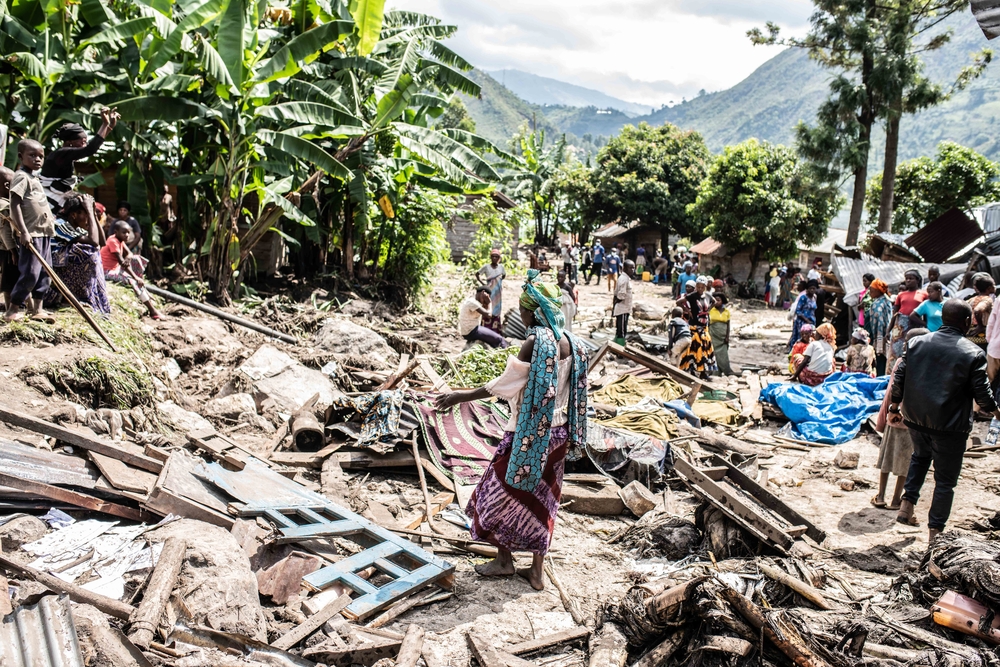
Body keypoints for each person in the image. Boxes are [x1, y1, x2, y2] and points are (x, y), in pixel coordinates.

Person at [433, 270, 588, 591]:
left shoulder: (534, 343)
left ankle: (504, 561)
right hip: (560, 435)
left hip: (528, 435)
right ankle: (536, 570)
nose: (521, 313)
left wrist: (459, 395)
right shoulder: (570, 341)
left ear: (533, 310)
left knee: (494, 493)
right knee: (543, 499)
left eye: (524, 308)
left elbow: (503, 386)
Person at [890, 299, 1000, 542]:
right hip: (950, 426)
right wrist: (997, 413)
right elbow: (983, 394)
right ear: (966, 322)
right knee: (945, 481)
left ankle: (906, 506)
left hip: (915, 418)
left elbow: (899, 375)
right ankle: (935, 534)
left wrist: (894, 407)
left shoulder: (917, 342)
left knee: (920, 458)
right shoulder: (973, 352)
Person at [872, 327, 928, 511]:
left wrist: (885, 416)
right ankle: (896, 500)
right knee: (905, 464)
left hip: (894, 418)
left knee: (887, 459)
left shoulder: (902, 363)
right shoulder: (928, 366)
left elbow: (891, 391)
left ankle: (880, 496)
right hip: (914, 421)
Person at [5, 139, 56, 323]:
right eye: (32, 155)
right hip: (32, 233)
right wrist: (23, 231)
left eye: (41, 156)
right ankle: (12, 310)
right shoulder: (21, 176)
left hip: (44, 233)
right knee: (30, 273)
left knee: (45, 272)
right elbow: (15, 204)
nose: (37, 159)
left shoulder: (34, 178)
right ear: (20, 157)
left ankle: (37, 310)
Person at [39, 109, 118, 213]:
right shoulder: (62, 153)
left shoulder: (64, 154)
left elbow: (92, 145)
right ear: (71, 142)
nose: (85, 145)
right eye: (83, 142)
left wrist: (110, 126)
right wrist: (105, 124)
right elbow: (90, 149)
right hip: (49, 199)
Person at [46, 194, 110, 315]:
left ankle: (87, 297)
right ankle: (68, 297)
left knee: (94, 250)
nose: (88, 218)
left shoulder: (74, 227)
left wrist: (94, 214)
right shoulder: (60, 224)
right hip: (50, 273)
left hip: (62, 269)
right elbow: (93, 242)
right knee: (85, 251)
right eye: (85, 214)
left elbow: (102, 242)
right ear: (74, 215)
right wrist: (90, 212)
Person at [100, 220, 161, 320]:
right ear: (116, 232)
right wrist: (135, 277)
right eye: (124, 232)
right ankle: (152, 311)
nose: (127, 235)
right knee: (132, 280)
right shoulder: (113, 241)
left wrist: (128, 257)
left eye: (128, 232)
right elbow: (123, 264)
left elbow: (129, 254)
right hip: (106, 271)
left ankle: (142, 287)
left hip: (115, 268)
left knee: (137, 259)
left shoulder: (119, 240)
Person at [679, 277, 717, 378]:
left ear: (705, 287)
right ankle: (691, 371)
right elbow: (678, 302)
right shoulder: (692, 296)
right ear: (696, 286)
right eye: (698, 287)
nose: (700, 289)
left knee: (705, 349)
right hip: (694, 327)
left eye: (702, 287)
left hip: (704, 327)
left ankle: (703, 372)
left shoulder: (708, 296)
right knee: (693, 350)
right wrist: (687, 311)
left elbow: (715, 302)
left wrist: (709, 309)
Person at [888, 270, 925, 367]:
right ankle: (893, 375)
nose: (908, 280)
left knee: (913, 350)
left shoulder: (923, 294)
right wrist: (888, 330)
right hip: (900, 326)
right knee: (896, 351)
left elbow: (926, 313)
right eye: (906, 278)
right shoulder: (901, 295)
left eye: (911, 278)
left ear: (917, 280)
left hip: (915, 325)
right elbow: (895, 314)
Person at [864, 279, 893, 376]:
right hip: (887, 336)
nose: (869, 292)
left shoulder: (877, 304)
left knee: (879, 361)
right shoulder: (887, 302)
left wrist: (875, 338)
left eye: (871, 290)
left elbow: (878, 324)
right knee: (884, 362)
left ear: (878, 291)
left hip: (878, 336)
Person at [475, 249, 506, 333]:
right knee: (487, 306)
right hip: (489, 291)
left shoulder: (501, 267)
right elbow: (477, 274)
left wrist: (497, 282)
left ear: (499, 258)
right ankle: (486, 328)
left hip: (498, 293)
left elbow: (503, 275)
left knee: (497, 309)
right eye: (493, 256)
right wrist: (484, 284)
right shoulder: (486, 267)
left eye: (496, 256)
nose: (494, 258)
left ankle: (496, 329)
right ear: (490, 257)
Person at [0, 166, 16, 311]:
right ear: (7, 186)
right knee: (9, 281)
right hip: (6, 249)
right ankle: (11, 308)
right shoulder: (4, 206)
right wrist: (13, 251)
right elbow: (5, 231)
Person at [966, 273, 995, 353]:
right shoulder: (987, 299)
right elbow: (978, 310)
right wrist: (980, 325)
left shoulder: (971, 300)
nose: (995, 287)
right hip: (982, 338)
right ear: (989, 288)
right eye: (994, 285)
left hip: (970, 336)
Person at [788, 279, 818, 352]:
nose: (812, 290)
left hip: (811, 322)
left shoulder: (814, 297)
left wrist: (811, 321)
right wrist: (806, 320)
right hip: (802, 322)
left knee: (809, 340)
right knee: (800, 339)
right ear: (807, 289)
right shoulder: (803, 298)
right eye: (810, 288)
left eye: (814, 288)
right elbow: (798, 311)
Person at [708, 293, 732, 375]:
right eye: (715, 300)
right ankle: (715, 371)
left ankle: (726, 370)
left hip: (723, 335)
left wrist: (727, 336)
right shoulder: (711, 310)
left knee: (723, 353)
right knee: (713, 353)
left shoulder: (726, 311)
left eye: (718, 300)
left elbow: (728, 324)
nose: (716, 302)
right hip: (713, 334)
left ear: (722, 301)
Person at [613, 260, 634, 345]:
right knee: (621, 330)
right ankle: (620, 349)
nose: (632, 270)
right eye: (630, 268)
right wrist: (617, 301)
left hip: (625, 308)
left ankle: (616, 345)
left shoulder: (626, 279)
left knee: (621, 328)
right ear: (624, 268)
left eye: (633, 268)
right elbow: (621, 295)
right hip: (622, 309)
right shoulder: (624, 280)